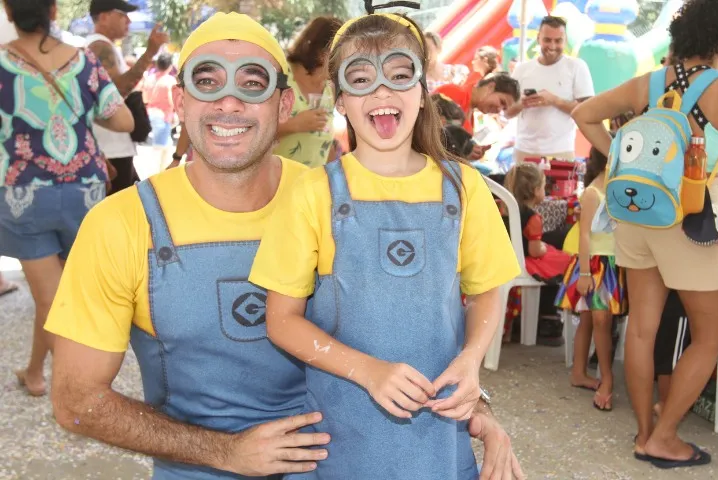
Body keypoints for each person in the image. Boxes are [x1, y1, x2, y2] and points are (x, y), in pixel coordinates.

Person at [45, 13, 524, 479]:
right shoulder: (121, 225)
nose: (228, 103)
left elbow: (413, 314)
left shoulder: (333, 195)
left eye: (251, 84)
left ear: (284, 104)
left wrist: (475, 412)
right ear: (180, 99)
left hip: (347, 460)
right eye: (207, 82)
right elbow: (76, 401)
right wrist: (222, 451)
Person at [250, 10, 522, 480]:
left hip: (438, 434)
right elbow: (281, 321)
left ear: (422, 89)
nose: (381, 91)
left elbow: (484, 292)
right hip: (341, 433)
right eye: (361, 79)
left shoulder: (465, 189)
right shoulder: (313, 194)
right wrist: (368, 371)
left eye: (399, 74)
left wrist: (470, 360)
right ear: (340, 100)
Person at [572, 0, 718, 468]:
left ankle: (643, 435)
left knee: (641, 329)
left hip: (637, 217)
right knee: (711, 333)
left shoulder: (649, 83)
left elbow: (584, 113)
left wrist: (622, 157)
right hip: (688, 222)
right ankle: (666, 435)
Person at [2, 0, 132, 397]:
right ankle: (37, 373)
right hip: (85, 192)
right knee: (63, 297)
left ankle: (74, 387)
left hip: (25, 194)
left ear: (8, 12)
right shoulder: (85, 62)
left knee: (49, 297)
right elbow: (123, 120)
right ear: (54, 11)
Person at [555, 148, 626, 411]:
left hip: (612, 263)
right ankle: (606, 377)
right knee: (598, 319)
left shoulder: (615, 190)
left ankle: (579, 372)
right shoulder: (593, 194)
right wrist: (584, 272)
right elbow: (584, 235)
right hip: (594, 265)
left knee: (589, 319)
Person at [86, 0, 169, 194]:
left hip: (112, 148)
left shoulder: (102, 45)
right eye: (122, 14)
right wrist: (149, 52)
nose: (128, 20)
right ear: (104, 16)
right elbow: (114, 93)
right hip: (111, 150)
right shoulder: (100, 45)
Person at [506, 16, 594, 163]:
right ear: (538, 38)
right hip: (524, 151)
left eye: (558, 41)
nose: (552, 46)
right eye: (547, 40)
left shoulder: (576, 67)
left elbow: (588, 110)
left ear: (565, 41)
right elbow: (507, 112)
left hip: (561, 152)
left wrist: (554, 100)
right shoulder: (521, 70)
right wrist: (523, 102)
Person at [275, 16, 341, 168]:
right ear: (320, 51)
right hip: (279, 184)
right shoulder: (281, 75)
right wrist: (294, 125)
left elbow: (324, 143)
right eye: (340, 53)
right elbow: (253, 133)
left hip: (312, 186)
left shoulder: (329, 89)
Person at [434, 72, 520, 158]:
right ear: (490, 87)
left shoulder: (470, 115)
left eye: (504, 109)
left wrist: (470, 152)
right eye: (502, 102)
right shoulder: (455, 93)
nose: (499, 109)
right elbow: (431, 133)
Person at [141, 52, 177, 171]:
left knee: (165, 146)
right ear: (170, 66)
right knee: (160, 149)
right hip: (163, 116)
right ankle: (158, 175)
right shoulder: (169, 81)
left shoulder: (150, 79)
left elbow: (144, 98)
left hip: (150, 113)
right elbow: (173, 101)